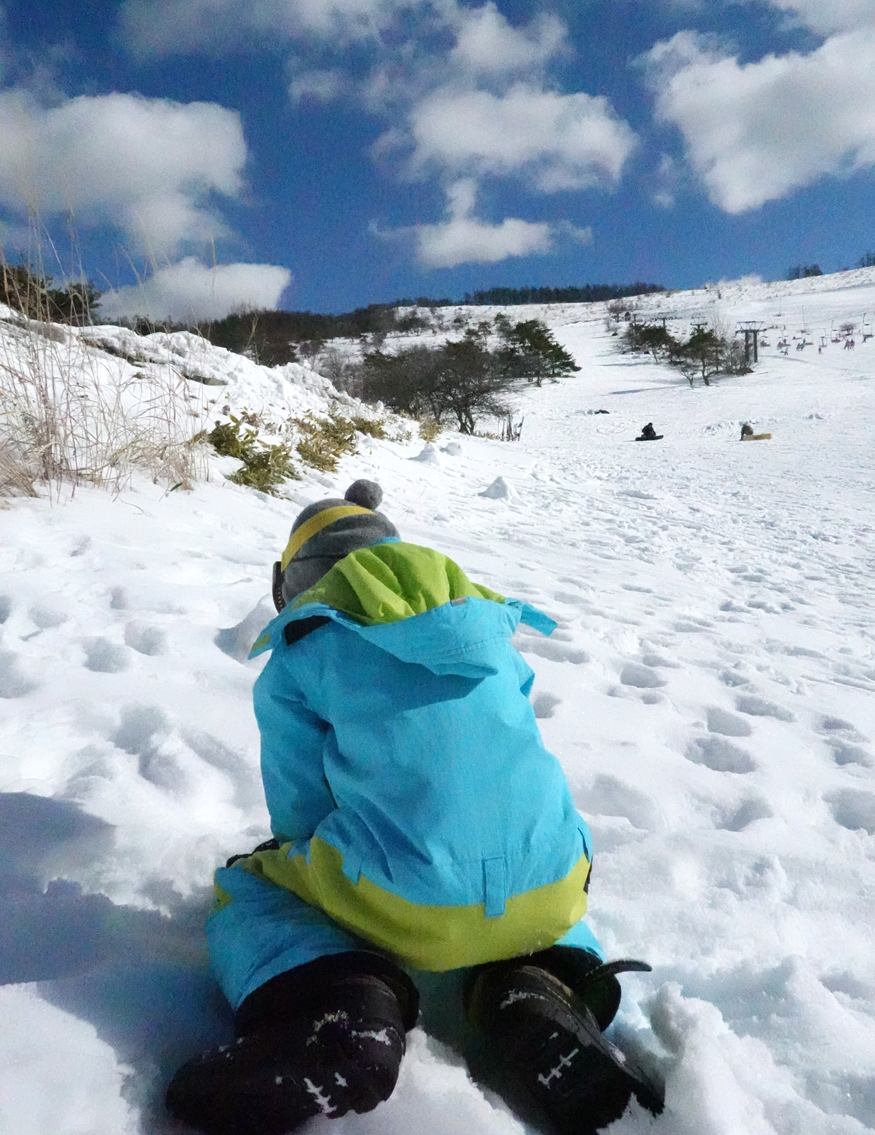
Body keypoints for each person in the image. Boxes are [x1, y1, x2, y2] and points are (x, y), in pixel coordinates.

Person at [165, 480, 663, 1135]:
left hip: (413, 897)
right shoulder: (485, 627)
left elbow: (301, 818)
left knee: (249, 887)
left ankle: (339, 1001)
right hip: (561, 873)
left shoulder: (302, 655)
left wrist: (307, 870)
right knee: (526, 874)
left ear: (290, 585)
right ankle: (539, 982)